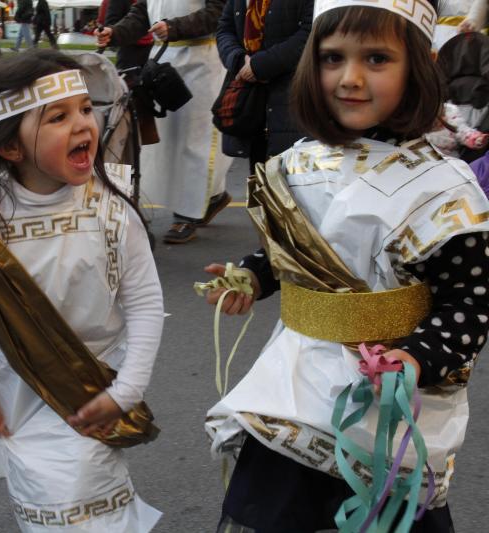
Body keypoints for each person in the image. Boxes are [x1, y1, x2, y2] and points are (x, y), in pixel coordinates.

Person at [202, 0, 489, 530]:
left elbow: (469, 303)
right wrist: (251, 275)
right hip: (294, 386)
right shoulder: (297, 163)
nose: (350, 78)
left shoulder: (444, 189)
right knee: (275, 509)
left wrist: (418, 357)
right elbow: (291, 251)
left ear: (419, 66)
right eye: (333, 58)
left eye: (377, 59)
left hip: (385, 402)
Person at [0, 50, 164, 532]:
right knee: (47, 505)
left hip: (92, 385)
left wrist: (128, 390)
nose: (83, 124)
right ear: (10, 148)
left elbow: (145, 303)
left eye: (85, 109)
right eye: (58, 116)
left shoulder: (111, 210)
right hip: (20, 392)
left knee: (80, 498)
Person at [96, 1, 233, 244]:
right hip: (163, 58)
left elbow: (218, 12)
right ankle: (213, 196)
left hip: (201, 60)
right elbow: (142, 13)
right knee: (168, 140)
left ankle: (186, 215)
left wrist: (175, 27)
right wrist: (115, 32)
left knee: (194, 139)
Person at [215, 0, 313, 173]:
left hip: (293, 100)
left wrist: (260, 66)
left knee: (294, 183)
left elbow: (312, 32)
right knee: (260, 181)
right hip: (253, 104)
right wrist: (238, 60)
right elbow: (225, 28)